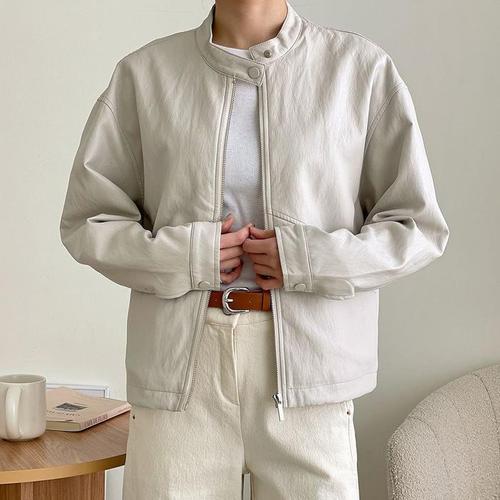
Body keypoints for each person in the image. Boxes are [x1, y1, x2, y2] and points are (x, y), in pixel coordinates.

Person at [59, 0, 450, 498]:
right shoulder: (145, 74)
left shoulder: (359, 69)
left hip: (310, 377)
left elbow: (416, 226)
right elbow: (89, 221)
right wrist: (188, 255)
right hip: (181, 375)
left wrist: (307, 259)